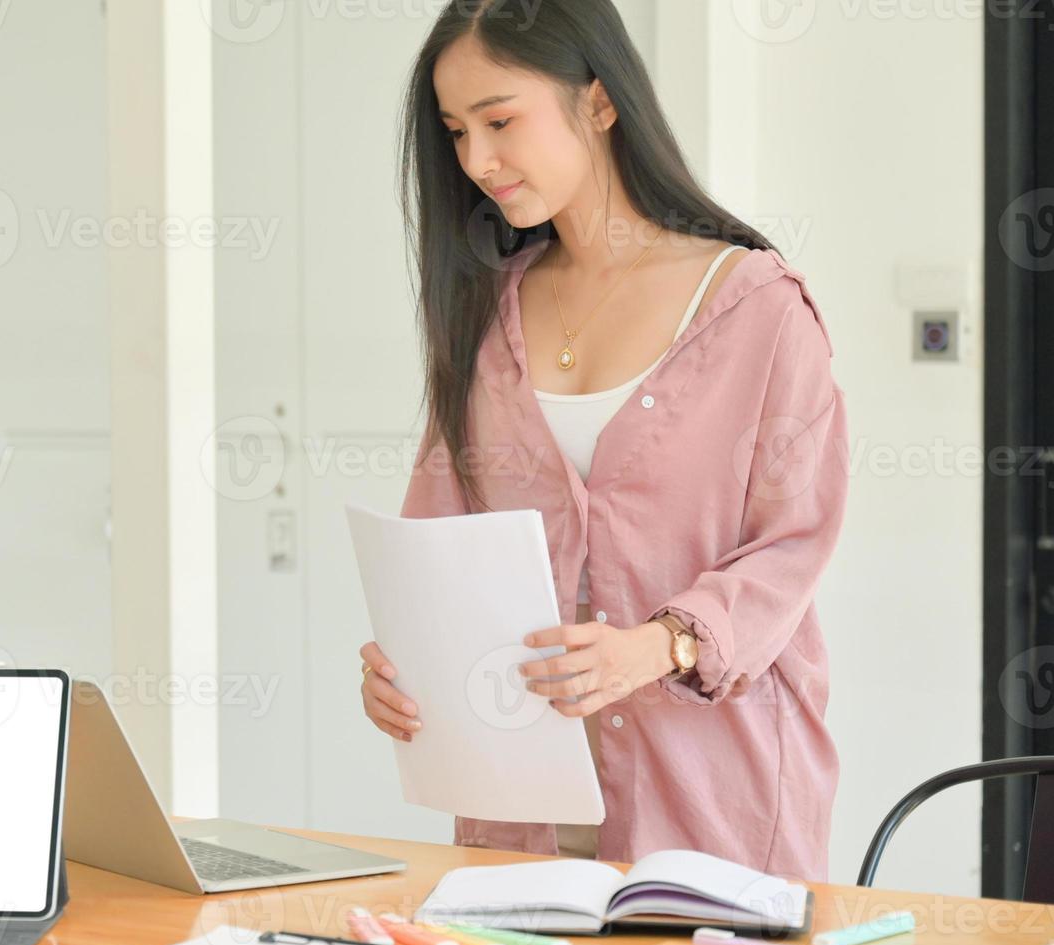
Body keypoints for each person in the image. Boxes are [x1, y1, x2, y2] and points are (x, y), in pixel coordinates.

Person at [358, 0, 849, 882]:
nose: (475, 160)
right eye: (455, 131)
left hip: (710, 800)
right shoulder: (483, 314)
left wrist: (656, 647)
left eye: (500, 120)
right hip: (520, 810)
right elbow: (433, 546)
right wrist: (401, 665)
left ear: (598, 102)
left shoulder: (755, 307)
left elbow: (793, 545)